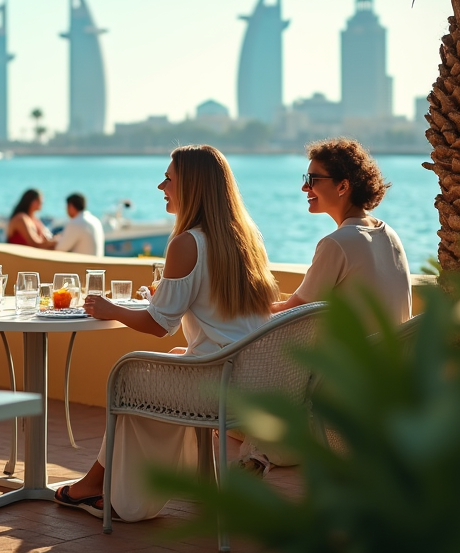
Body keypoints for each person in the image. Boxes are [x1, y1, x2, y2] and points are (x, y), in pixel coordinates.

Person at [55, 145, 276, 521]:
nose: (161, 185)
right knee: (172, 362)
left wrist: (110, 309)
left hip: (217, 385)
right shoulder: (246, 238)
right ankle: (181, 482)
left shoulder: (187, 242)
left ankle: (100, 485)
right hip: (256, 379)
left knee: (129, 381)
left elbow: (160, 325)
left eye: (169, 178)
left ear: (191, 185)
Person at [271, 138, 411, 328]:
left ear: (343, 186)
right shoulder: (389, 233)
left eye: (312, 179)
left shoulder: (337, 244)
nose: (305, 187)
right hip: (394, 355)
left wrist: (243, 312)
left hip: (355, 357)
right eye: (305, 179)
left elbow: (293, 313)